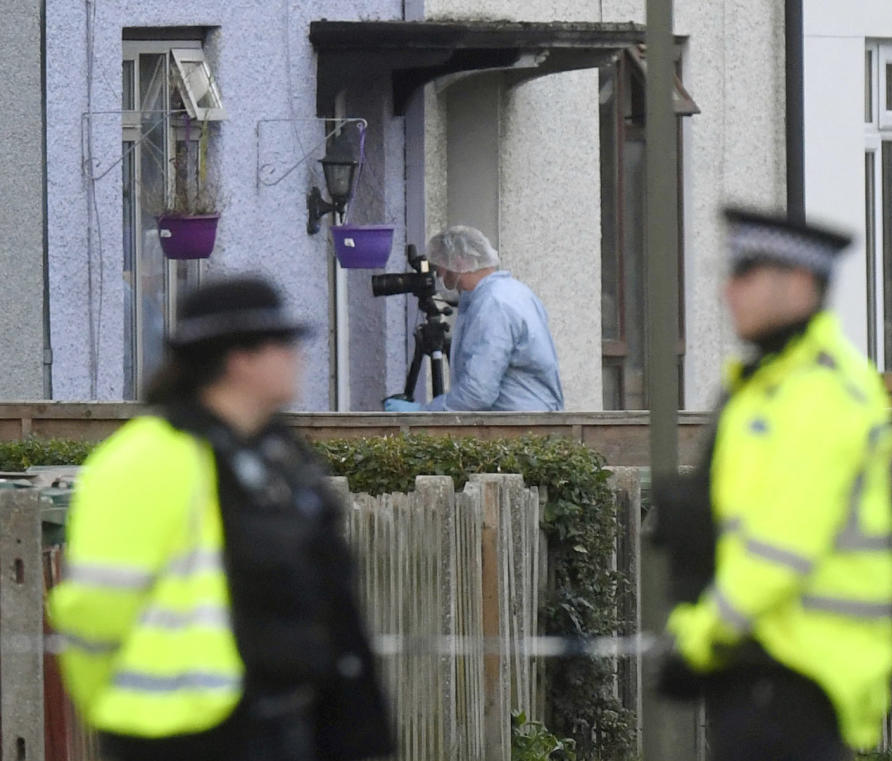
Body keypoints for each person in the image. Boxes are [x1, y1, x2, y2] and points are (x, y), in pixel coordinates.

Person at [49, 276, 392, 761]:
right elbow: (95, 613)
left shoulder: (278, 454)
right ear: (240, 359)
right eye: (283, 343)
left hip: (282, 724)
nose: (298, 356)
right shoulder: (147, 459)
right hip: (180, 735)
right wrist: (113, 710)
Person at [654, 209, 892, 761]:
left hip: (797, 672)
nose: (727, 290)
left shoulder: (820, 394)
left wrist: (699, 636)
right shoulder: (764, 386)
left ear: (800, 284)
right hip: (763, 666)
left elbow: (779, 549)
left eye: (746, 273)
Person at [383, 226, 564, 412]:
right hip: (532, 421)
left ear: (458, 263)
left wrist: (424, 413)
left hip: (518, 427)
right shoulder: (515, 292)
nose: (440, 280)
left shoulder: (493, 304)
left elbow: (477, 393)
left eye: (441, 271)